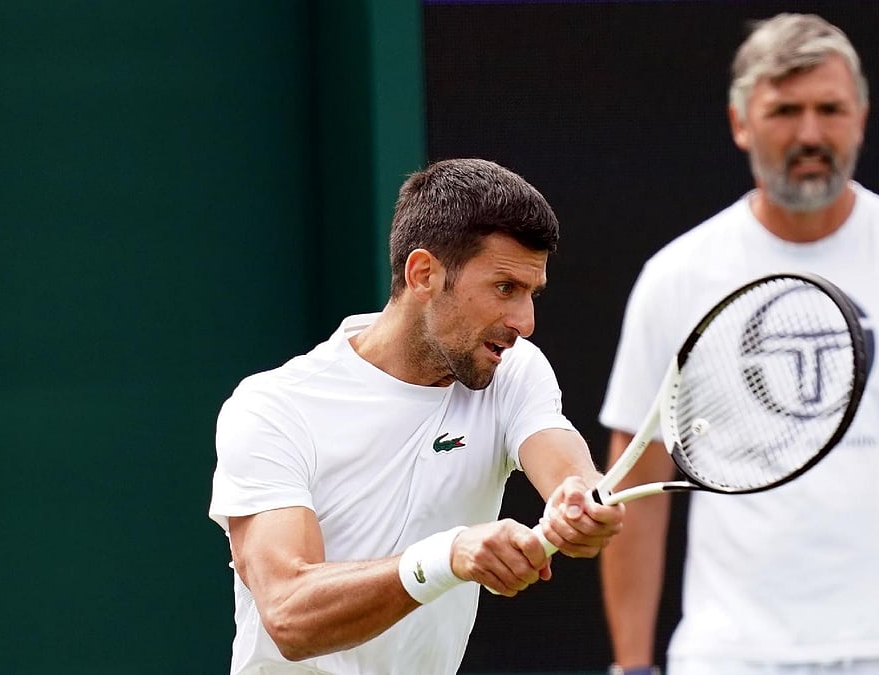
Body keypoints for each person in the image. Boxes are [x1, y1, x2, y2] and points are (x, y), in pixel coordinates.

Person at [598, 13, 879, 675]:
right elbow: (634, 483)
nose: (810, 133)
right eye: (784, 110)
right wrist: (632, 665)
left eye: (830, 109)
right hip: (730, 655)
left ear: (861, 118)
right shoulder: (675, 277)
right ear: (740, 122)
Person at [209, 158, 625, 674]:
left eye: (531, 293)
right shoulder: (273, 408)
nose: (525, 322)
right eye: (504, 288)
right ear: (423, 274)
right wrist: (446, 556)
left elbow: (565, 467)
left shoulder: (511, 370)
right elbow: (288, 614)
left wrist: (580, 500)